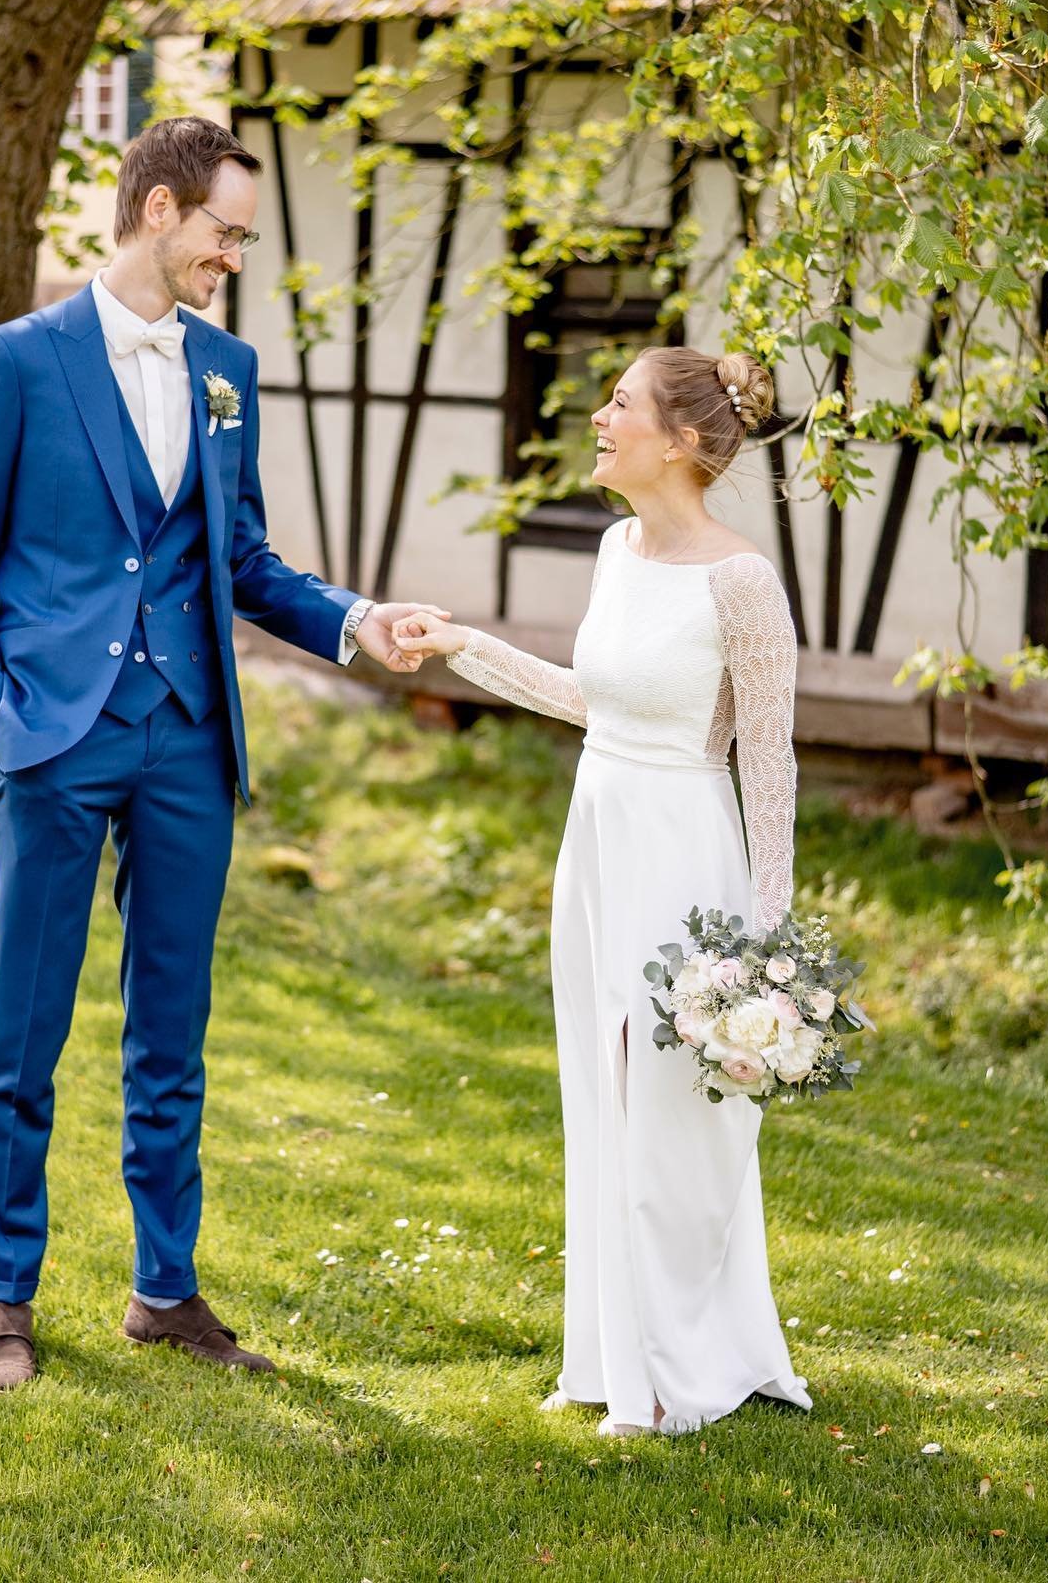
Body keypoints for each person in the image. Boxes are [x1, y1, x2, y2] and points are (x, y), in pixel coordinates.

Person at [0, 116, 447, 1389]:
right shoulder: (18, 362)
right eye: (226, 233)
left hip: (187, 741)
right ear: (158, 212)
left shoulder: (229, 369)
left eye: (245, 239)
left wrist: (356, 623)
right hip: (51, 739)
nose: (234, 259)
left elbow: (244, 559)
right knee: (24, 1029)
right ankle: (6, 1300)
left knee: (174, 1030)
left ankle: (165, 1289)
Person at [393, 348, 812, 1436]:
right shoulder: (617, 548)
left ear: (678, 441)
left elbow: (767, 765)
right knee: (603, 1093)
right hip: (599, 839)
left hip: (685, 850)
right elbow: (596, 700)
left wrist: (768, 952)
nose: (598, 416)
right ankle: (613, 1355)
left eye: (619, 403)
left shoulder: (744, 582)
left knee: (674, 1111)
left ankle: (679, 1367)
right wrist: (463, 649)